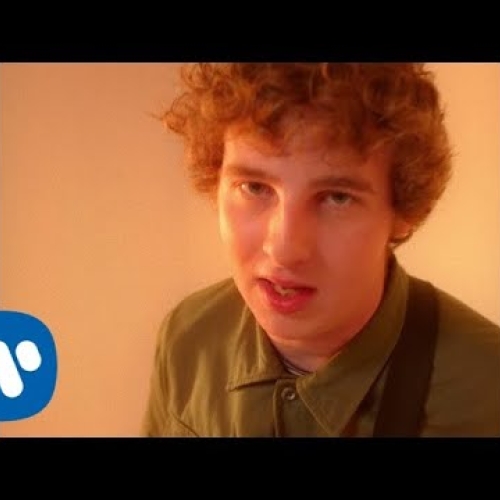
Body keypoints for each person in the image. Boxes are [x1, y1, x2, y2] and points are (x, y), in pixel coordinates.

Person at [142, 63, 500, 437]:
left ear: (403, 211)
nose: (283, 250)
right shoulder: (187, 336)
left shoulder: (488, 389)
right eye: (254, 187)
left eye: (337, 197)